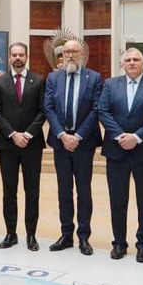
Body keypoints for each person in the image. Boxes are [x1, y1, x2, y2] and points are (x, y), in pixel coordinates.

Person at [97, 47, 143, 263]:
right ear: (123, 64)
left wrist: (136, 137)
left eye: (136, 59)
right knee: (117, 200)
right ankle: (119, 243)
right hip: (116, 151)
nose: (131, 63)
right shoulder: (111, 85)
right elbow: (103, 111)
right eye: (128, 59)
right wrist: (120, 136)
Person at [43, 39, 103, 255]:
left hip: (84, 143)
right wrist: (62, 135)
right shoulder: (53, 78)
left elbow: (96, 109)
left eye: (74, 51)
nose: (70, 55)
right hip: (60, 143)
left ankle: (84, 236)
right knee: (64, 190)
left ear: (82, 54)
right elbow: (48, 108)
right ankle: (66, 234)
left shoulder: (94, 78)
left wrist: (77, 136)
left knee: (84, 190)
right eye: (66, 52)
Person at [0, 42, 47, 251]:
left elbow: (43, 110)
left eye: (21, 55)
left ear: (27, 56)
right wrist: (13, 134)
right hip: (7, 144)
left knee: (32, 191)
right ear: (9, 57)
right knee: (9, 191)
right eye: (14, 55)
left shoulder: (39, 81)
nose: (17, 58)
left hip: (32, 144)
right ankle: (11, 233)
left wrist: (28, 134)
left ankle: (31, 235)